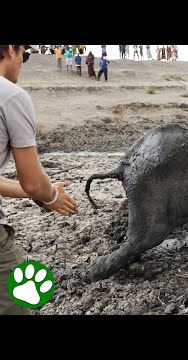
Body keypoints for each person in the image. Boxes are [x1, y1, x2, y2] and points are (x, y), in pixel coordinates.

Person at [0, 45, 77, 315]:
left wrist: (34, 195)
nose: (23, 62)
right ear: (11, 50)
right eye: (25, 54)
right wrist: (51, 195)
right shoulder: (11, 96)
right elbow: (33, 182)